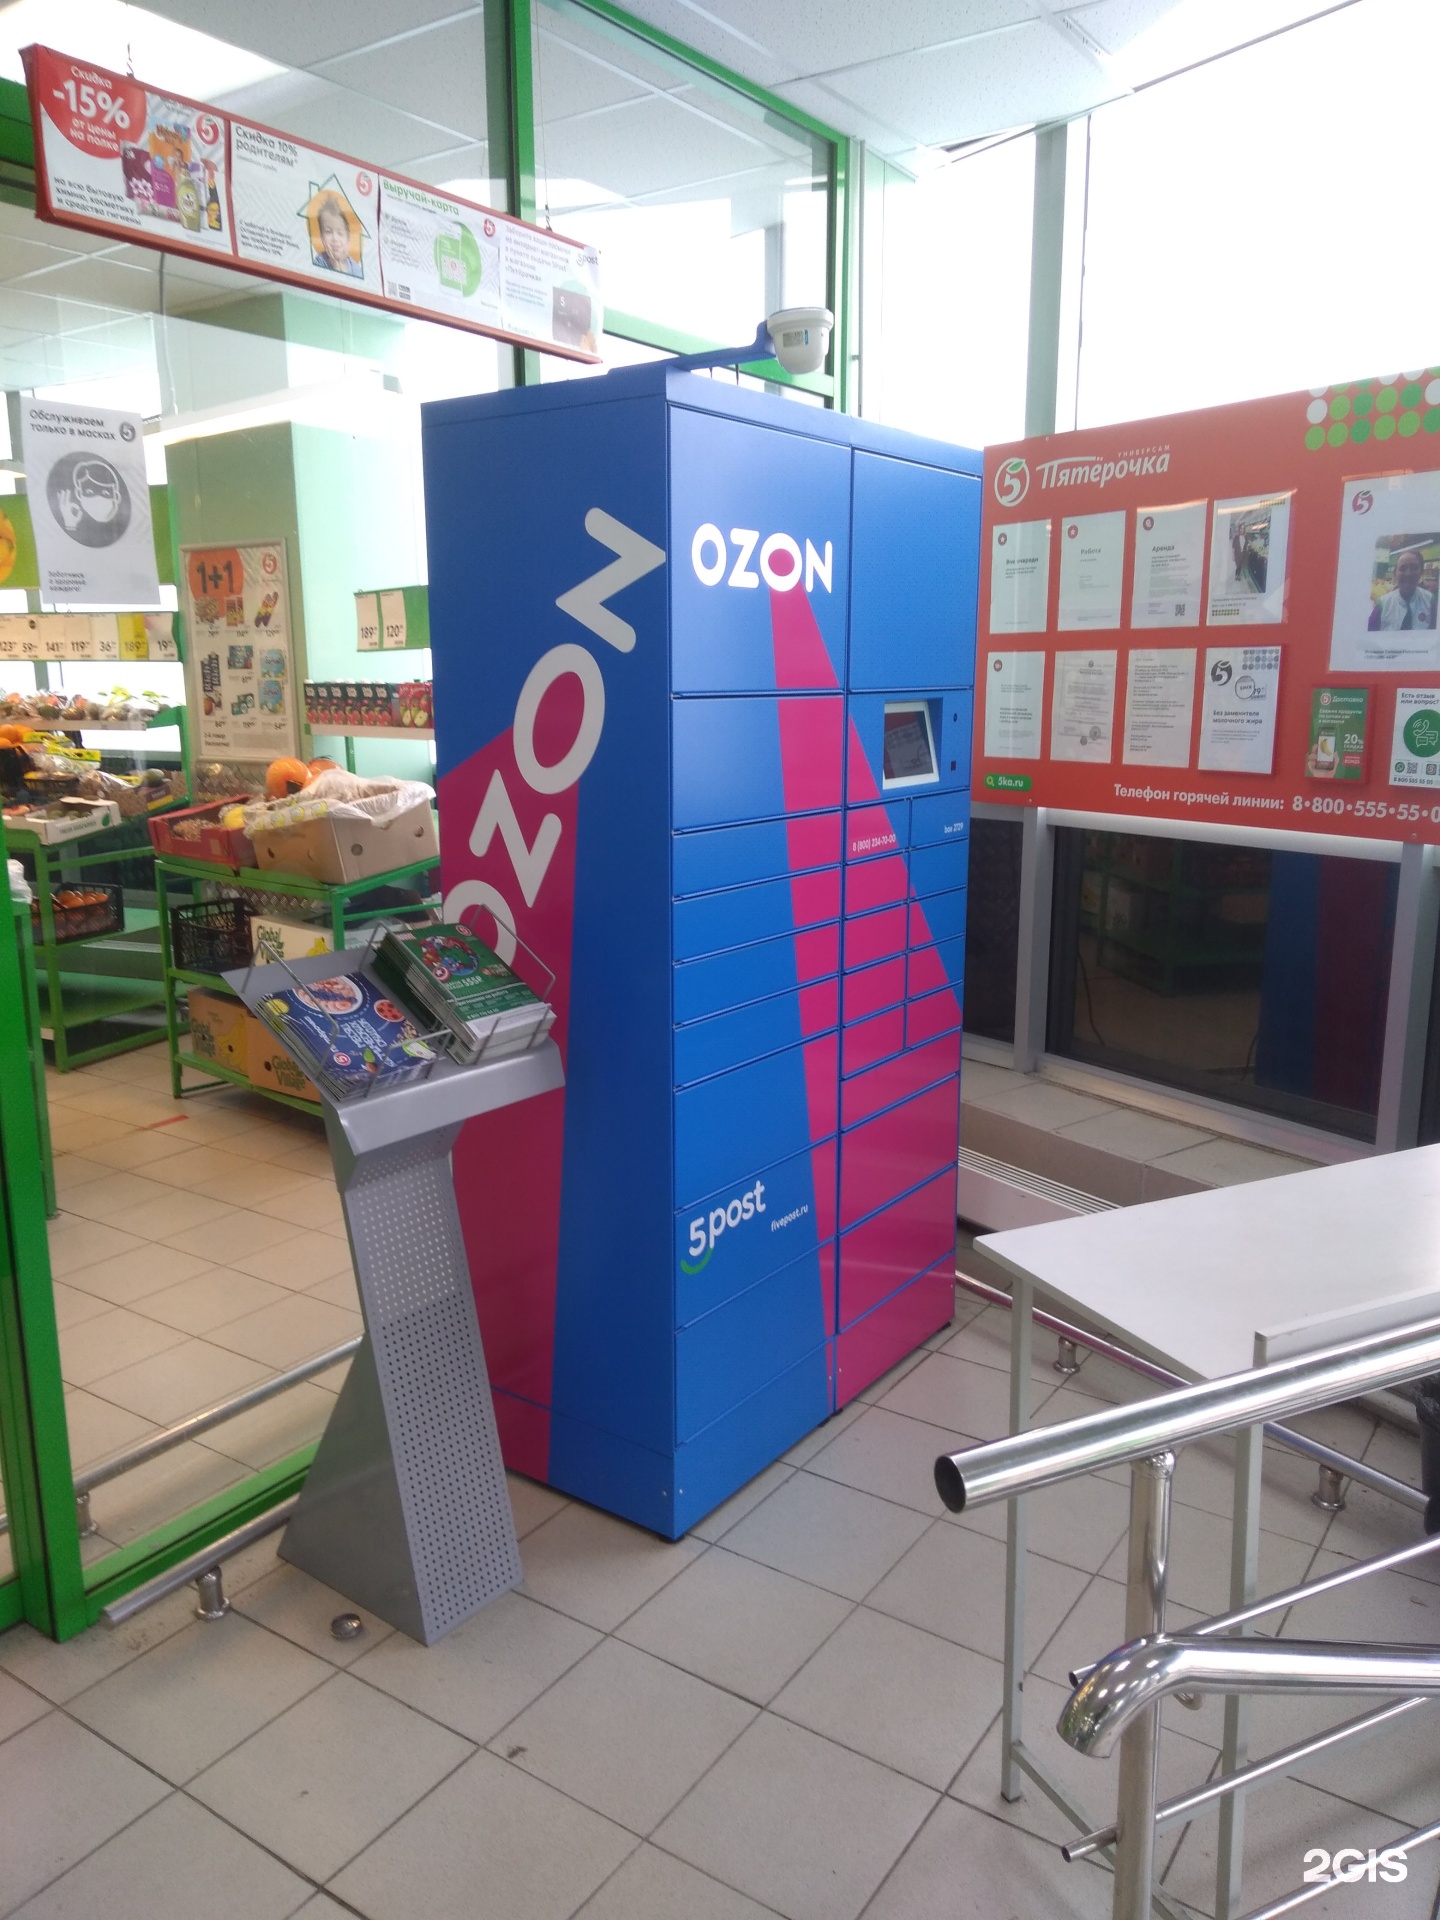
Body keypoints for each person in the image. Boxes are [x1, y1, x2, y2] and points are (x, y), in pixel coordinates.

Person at [1369, 545, 1436, 631]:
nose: (1408, 574)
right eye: (1402, 568)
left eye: (1414, 568)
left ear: (1421, 572)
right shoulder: (1383, 604)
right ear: (1395, 573)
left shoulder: (1431, 601)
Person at [312, 194, 360, 278]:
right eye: (328, 232)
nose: (335, 238)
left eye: (340, 233)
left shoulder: (356, 269)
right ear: (322, 237)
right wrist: (335, 266)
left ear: (348, 239)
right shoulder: (319, 262)